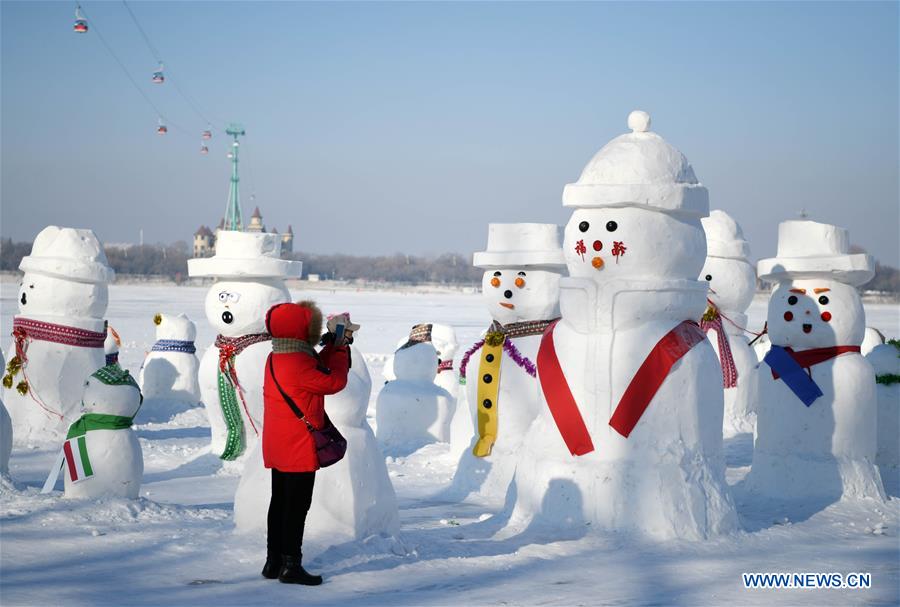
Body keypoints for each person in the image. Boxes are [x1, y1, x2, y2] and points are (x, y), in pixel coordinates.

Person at [261, 301, 356, 584]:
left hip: (278, 444)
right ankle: (292, 565)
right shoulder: (300, 362)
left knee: (279, 502)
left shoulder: (277, 356)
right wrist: (339, 348)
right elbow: (334, 381)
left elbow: (314, 368)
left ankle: (273, 561)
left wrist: (329, 347)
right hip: (299, 445)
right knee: (297, 505)